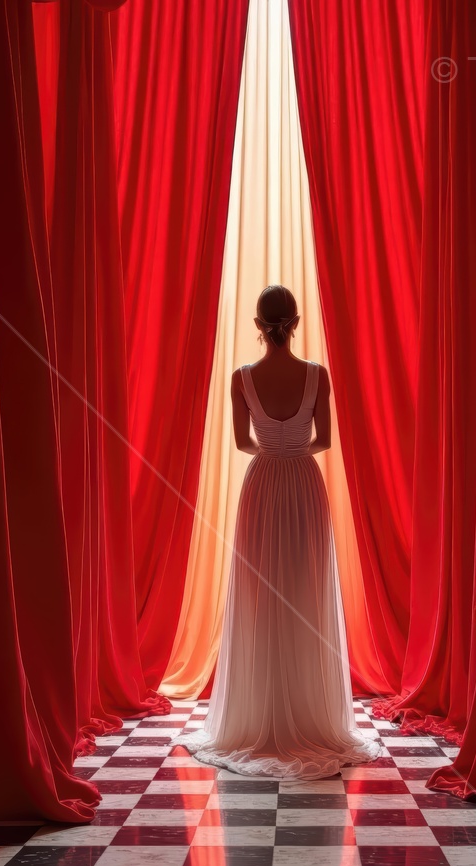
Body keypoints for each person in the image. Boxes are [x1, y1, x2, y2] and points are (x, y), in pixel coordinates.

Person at [180, 285, 381, 779]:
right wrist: (294, 452)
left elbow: (242, 441)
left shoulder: (242, 378)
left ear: (258, 323)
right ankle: (309, 708)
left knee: (260, 590)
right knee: (305, 586)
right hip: (303, 485)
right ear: (295, 323)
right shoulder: (317, 376)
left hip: (264, 483)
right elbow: (325, 439)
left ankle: (258, 711)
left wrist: (273, 452)